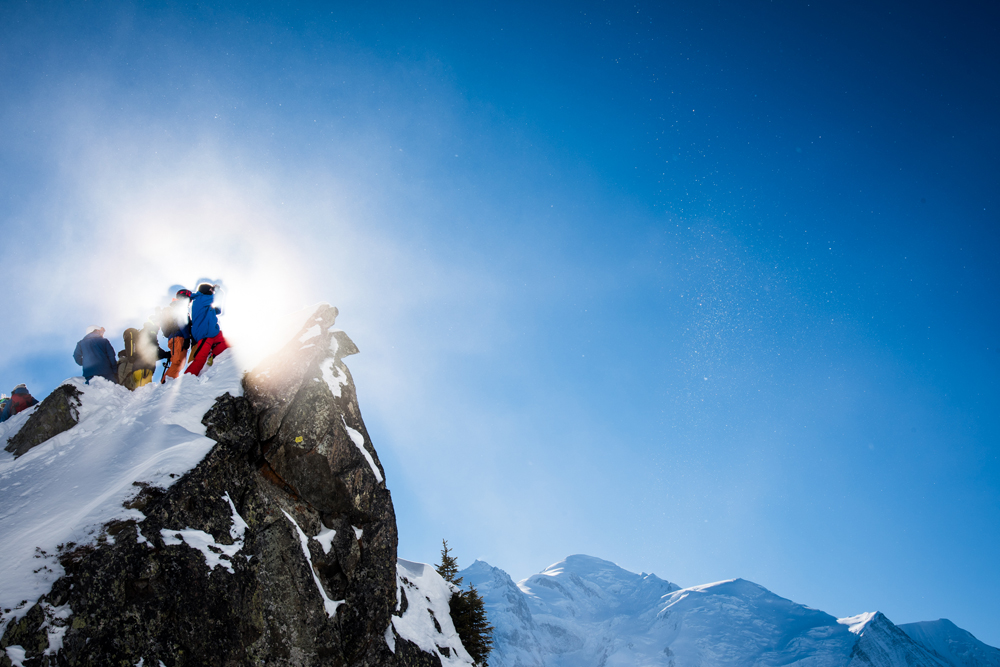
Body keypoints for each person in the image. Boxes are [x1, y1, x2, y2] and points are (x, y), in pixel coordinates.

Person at [185, 283, 229, 376]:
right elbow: (216, 297)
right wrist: (217, 290)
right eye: (211, 290)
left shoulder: (205, 301)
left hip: (213, 331)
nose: (213, 292)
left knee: (226, 345)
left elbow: (218, 311)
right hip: (204, 332)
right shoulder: (200, 299)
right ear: (207, 290)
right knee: (200, 359)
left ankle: (213, 356)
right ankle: (188, 378)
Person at [160, 288, 192, 381]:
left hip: (173, 338)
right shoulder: (180, 307)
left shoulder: (175, 307)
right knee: (177, 363)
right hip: (179, 338)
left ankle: (166, 383)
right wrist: (187, 338)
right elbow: (181, 322)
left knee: (176, 363)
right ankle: (166, 384)